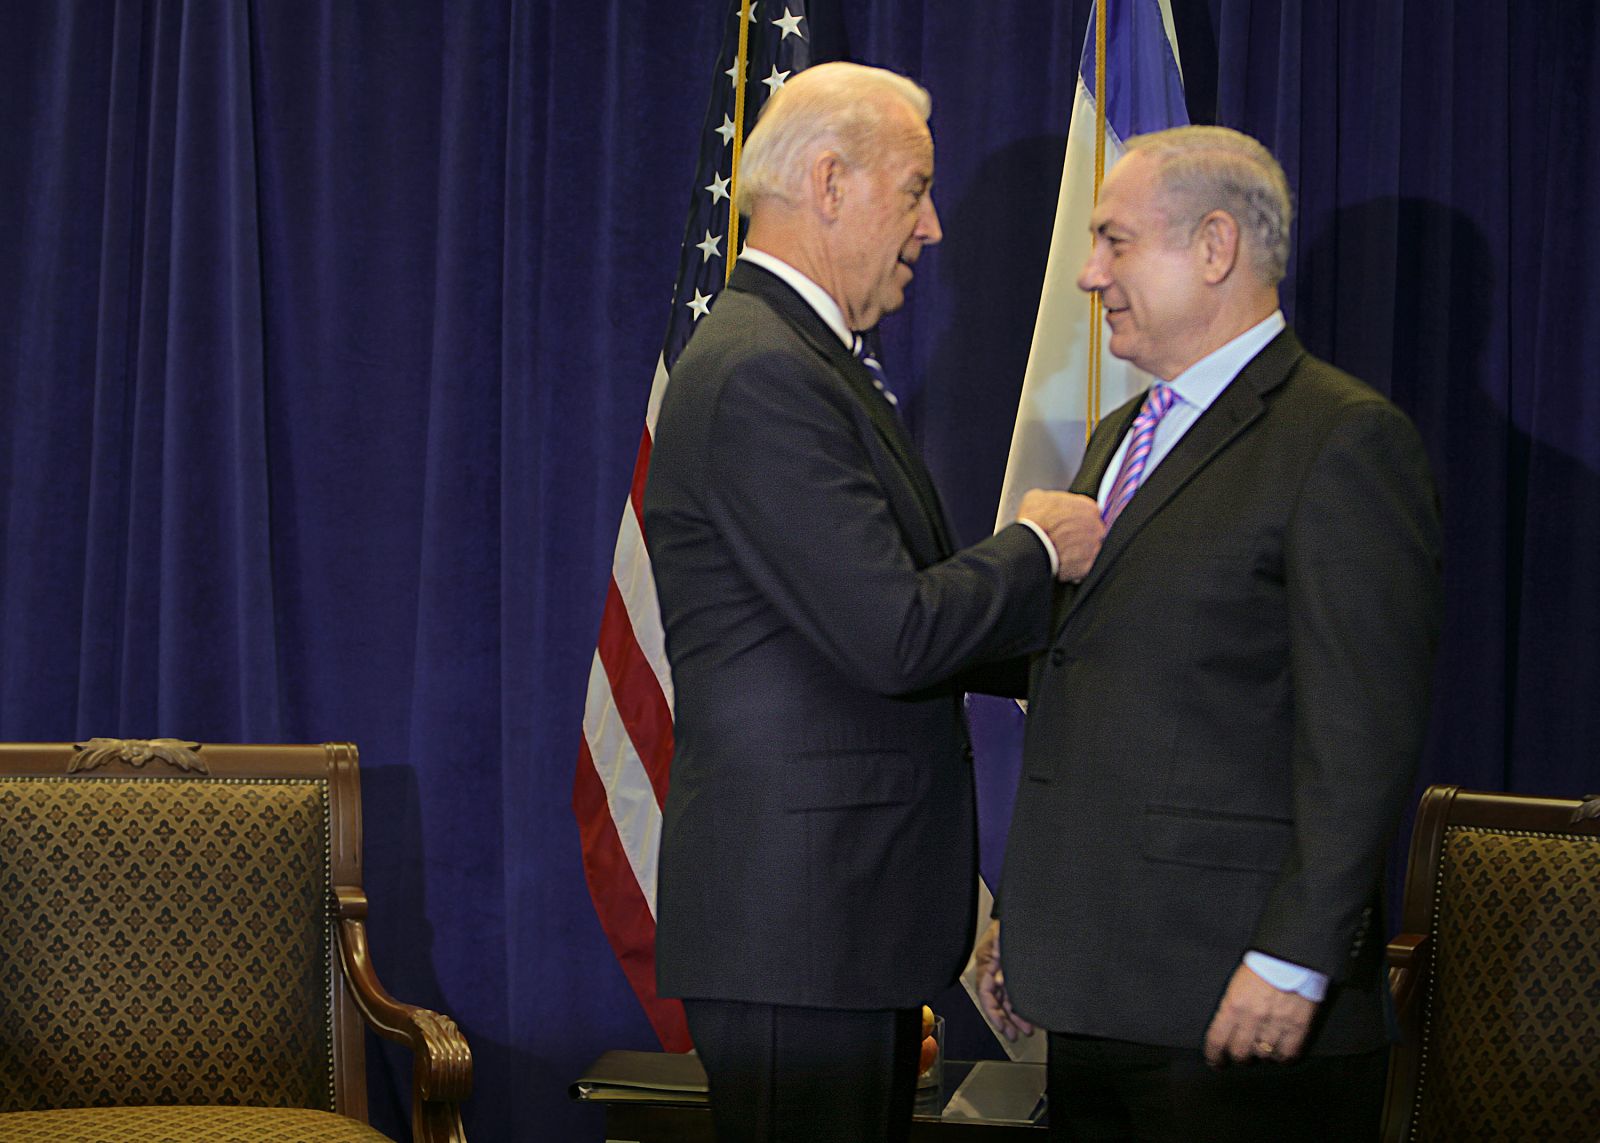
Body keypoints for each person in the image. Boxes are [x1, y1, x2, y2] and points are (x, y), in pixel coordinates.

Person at [642, 62, 1106, 1142]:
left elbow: (886, 625)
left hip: (837, 923)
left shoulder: (807, 359)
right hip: (801, 930)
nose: (932, 226)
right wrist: (1040, 544)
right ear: (830, 181)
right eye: (916, 189)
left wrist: (1105, 637)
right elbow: (896, 632)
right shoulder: (764, 371)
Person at [975, 126, 1443, 1142]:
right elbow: (1082, 687)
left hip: (1243, 1006)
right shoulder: (1118, 437)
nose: (1090, 274)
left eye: (1114, 241)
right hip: (1096, 992)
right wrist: (1028, 919)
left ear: (1215, 247)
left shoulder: (1340, 438)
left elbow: (1360, 737)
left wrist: (1296, 958)